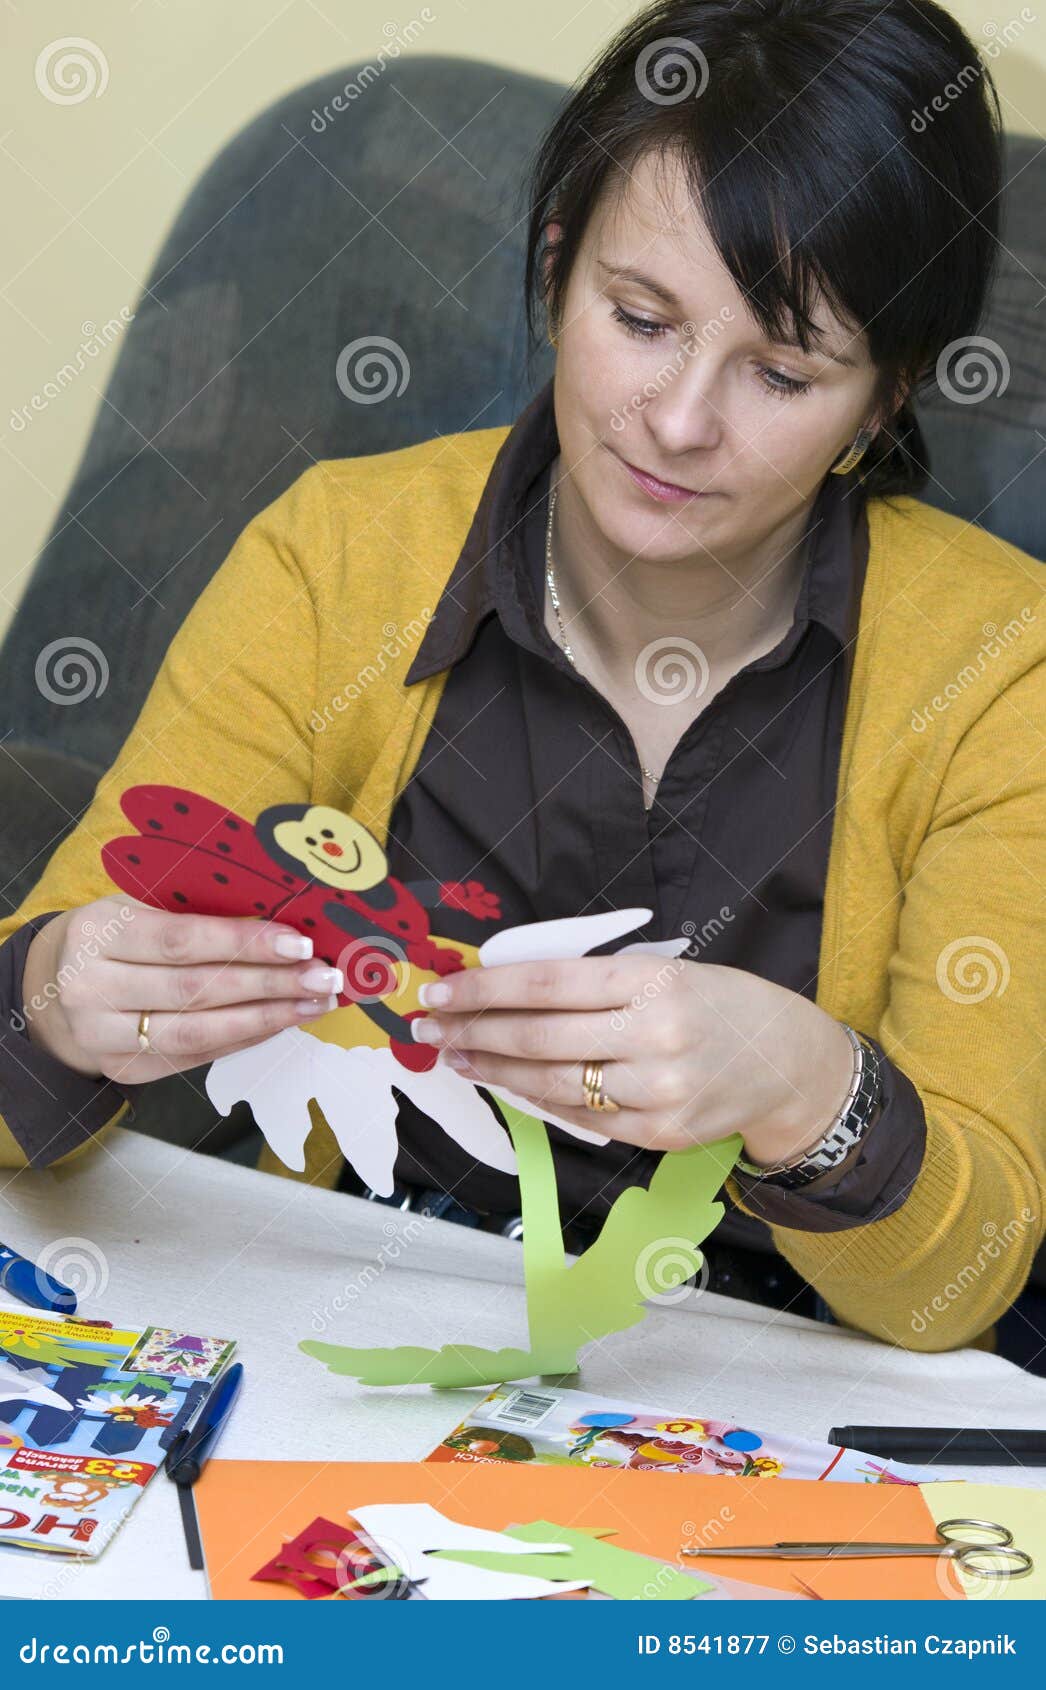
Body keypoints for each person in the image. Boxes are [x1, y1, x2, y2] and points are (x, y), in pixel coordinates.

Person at [1, 0, 1043, 1353]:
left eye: (783, 373)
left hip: (779, 1380)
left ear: (885, 399)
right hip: (344, 1334)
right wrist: (57, 998)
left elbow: (959, 1283)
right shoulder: (338, 558)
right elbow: (34, 1061)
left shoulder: (998, 667)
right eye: (640, 317)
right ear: (556, 270)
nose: (678, 420)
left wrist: (805, 1087)